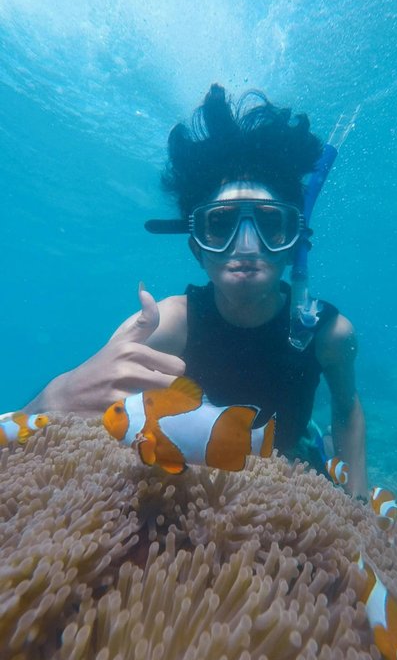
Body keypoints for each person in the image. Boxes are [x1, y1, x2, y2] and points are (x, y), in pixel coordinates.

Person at [26, 84, 367, 497]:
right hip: (188, 463)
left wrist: (359, 500)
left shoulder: (329, 334)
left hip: (292, 454)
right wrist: (52, 398)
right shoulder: (168, 324)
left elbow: (347, 410)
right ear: (196, 248)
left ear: (294, 241)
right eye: (220, 226)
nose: (246, 246)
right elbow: (94, 405)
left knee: (309, 447)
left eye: (270, 224)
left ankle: (313, 441)